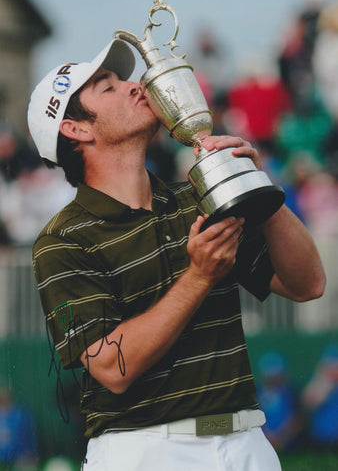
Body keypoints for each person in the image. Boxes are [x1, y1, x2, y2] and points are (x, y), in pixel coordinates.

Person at [27, 37, 326, 471]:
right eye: (108, 87)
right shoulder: (62, 241)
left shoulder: (198, 200)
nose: (135, 86)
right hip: (144, 451)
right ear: (76, 129)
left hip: (246, 442)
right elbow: (111, 367)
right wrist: (199, 277)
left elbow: (308, 284)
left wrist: (254, 184)